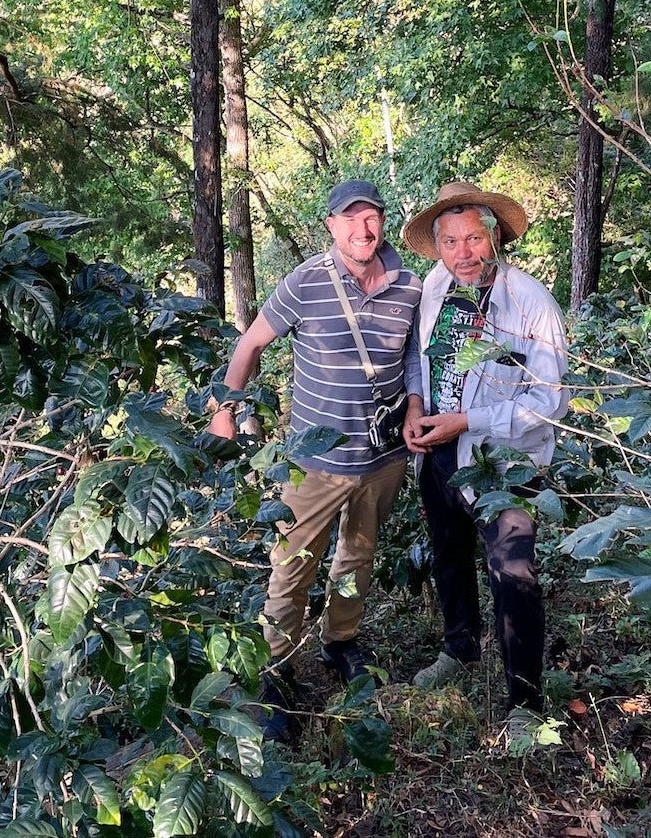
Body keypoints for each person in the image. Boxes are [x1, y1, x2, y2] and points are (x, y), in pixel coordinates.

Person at [209, 179, 422, 740]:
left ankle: (340, 641)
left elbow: (414, 357)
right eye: (350, 220)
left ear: (383, 222)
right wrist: (226, 408)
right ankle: (277, 670)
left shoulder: (410, 287)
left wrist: (414, 406)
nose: (362, 230)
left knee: (358, 555)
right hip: (315, 462)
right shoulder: (305, 282)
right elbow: (252, 343)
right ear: (331, 226)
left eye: (371, 218)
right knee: (292, 565)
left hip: (383, 457)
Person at [401, 182, 569, 732]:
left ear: (495, 236)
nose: (463, 253)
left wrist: (469, 421)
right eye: (450, 242)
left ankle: (525, 702)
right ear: (438, 247)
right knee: (448, 551)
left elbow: (549, 402)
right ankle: (460, 647)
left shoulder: (531, 304)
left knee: (513, 572)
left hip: (504, 462)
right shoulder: (435, 286)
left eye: (473, 238)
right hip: (440, 449)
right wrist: (416, 406)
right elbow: (420, 354)